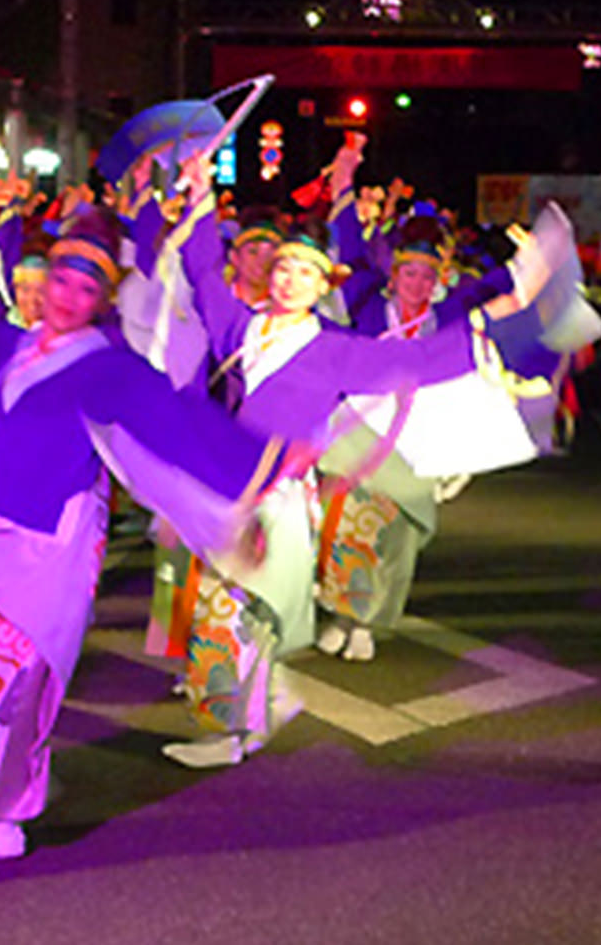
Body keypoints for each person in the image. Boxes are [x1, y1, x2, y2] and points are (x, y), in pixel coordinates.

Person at [0, 192, 295, 861]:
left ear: (103, 300)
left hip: (46, 544)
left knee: (5, 683)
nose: (68, 298)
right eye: (62, 281)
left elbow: (176, 424)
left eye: (86, 288)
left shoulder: (107, 368)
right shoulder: (12, 349)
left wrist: (253, 470)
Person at [166, 155, 551, 767]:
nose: (290, 279)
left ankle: (235, 730)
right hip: (225, 490)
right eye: (284, 267)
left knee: (237, 610)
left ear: (325, 286)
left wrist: (505, 308)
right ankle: (247, 715)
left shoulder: (337, 350)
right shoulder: (239, 328)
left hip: (276, 501)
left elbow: (419, 362)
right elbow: (204, 271)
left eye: (306, 272)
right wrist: (200, 194)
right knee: (225, 609)